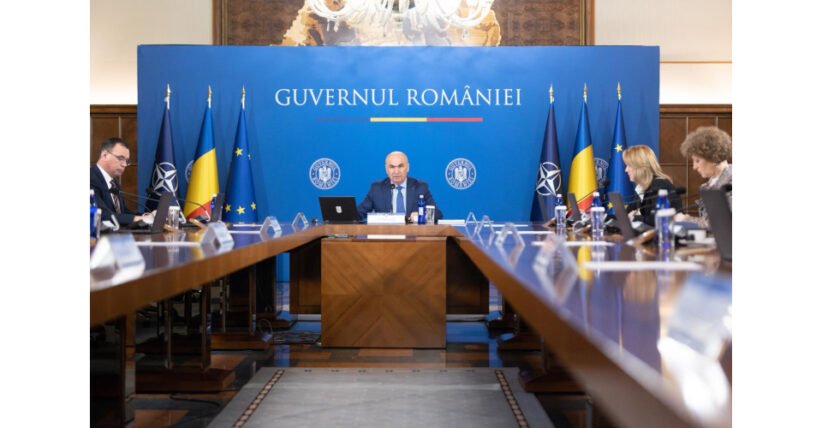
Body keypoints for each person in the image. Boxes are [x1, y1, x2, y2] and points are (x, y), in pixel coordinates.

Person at [673, 126, 732, 229]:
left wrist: (685, 219)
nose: (694, 167)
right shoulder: (710, 184)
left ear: (713, 157)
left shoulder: (731, 182)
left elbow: (718, 225)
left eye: (697, 161)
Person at [357, 151, 442, 222]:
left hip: (413, 237)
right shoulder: (377, 188)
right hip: (386, 237)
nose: (396, 171)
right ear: (386, 169)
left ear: (408, 167)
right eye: (392, 167)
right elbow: (359, 213)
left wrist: (421, 215)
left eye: (400, 166)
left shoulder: (420, 187)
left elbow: (438, 214)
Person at [90, 137, 152, 226]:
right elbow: (101, 214)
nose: (124, 164)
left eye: (127, 161)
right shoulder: (90, 178)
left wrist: (146, 216)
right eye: (120, 158)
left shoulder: (114, 183)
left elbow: (122, 213)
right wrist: (141, 219)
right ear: (105, 155)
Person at [622, 145, 682, 226]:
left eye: (629, 165)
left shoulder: (660, 185)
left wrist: (634, 218)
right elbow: (626, 215)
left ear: (640, 166)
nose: (626, 170)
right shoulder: (641, 187)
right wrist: (605, 217)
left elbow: (659, 220)